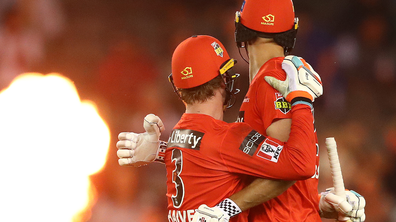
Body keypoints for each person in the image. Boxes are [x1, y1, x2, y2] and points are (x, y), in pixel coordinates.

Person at [117, 0, 366, 221]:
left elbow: (292, 167)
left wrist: (228, 207)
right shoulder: (272, 80)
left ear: (240, 29)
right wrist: (319, 202)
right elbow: (259, 164)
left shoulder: (272, 78)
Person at [118, 34, 323, 221]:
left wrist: (159, 151)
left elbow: (202, 154)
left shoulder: (177, 135)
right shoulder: (228, 137)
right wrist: (301, 100)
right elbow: (299, 164)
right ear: (223, 81)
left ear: (178, 88)